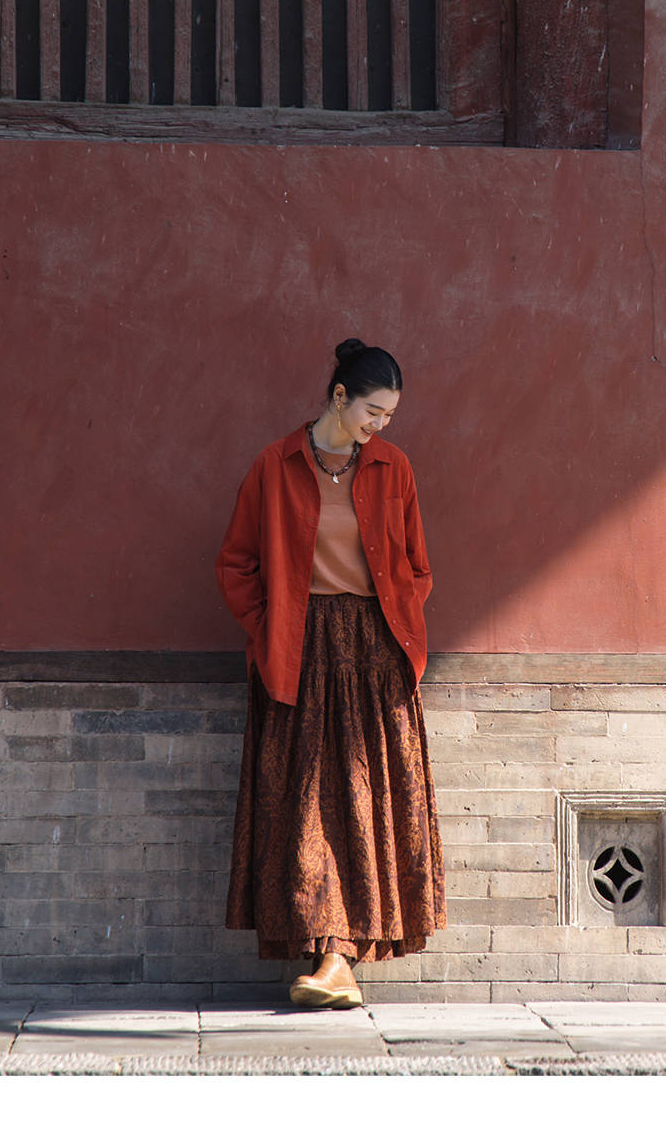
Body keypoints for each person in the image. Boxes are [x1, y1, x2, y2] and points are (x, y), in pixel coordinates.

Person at [217, 335, 446, 1003]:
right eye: (373, 411)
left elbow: (416, 565)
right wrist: (270, 629)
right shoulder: (274, 465)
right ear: (339, 395)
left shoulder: (393, 467)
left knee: (364, 799)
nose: (381, 425)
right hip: (299, 650)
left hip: (375, 653)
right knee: (308, 801)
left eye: (390, 415)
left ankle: (338, 959)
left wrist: (397, 633)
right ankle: (330, 958)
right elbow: (236, 564)